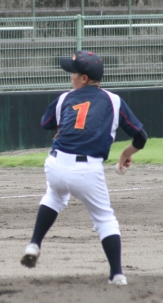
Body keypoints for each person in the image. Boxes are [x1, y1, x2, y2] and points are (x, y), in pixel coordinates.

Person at [20, 50, 148, 286]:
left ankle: (34, 244)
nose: (71, 77)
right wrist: (125, 154)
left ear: (84, 79)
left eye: (74, 73)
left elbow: (45, 123)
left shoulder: (65, 98)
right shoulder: (114, 101)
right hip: (86, 170)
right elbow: (141, 137)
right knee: (105, 220)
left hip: (56, 163)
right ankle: (117, 275)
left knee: (54, 196)